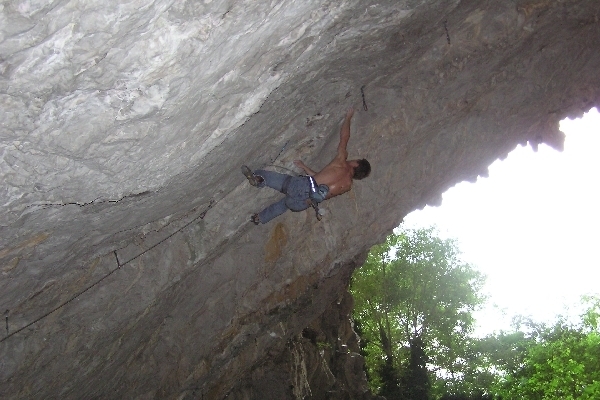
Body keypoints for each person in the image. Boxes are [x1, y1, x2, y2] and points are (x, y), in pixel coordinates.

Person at [241, 107, 371, 224]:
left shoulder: (342, 161)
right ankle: (260, 218)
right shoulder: (347, 186)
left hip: (301, 186)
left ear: (357, 163)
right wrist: (304, 167)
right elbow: (322, 189)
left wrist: (348, 117)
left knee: (273, 178)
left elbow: (344, 138)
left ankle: (258, 179)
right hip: (303, 203)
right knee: (284, 204)